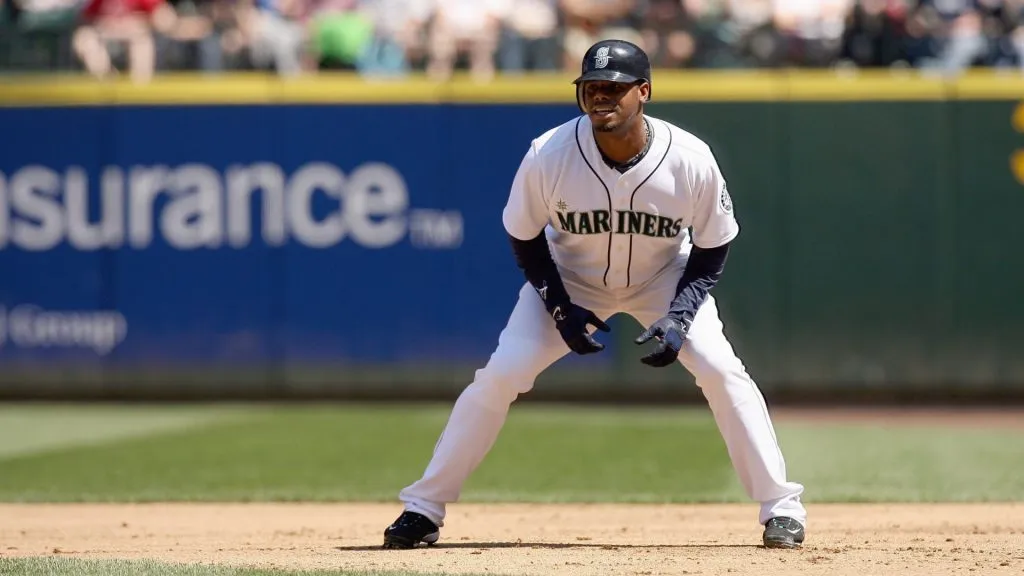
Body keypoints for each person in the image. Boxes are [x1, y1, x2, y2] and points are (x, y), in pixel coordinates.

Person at [382, 38, 808, 551]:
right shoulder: (550, 153)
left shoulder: (690, 158)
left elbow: (714, 244)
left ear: (644, 92)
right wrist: (559, 307)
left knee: (721, 371)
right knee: (499, 376)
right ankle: (423, 509)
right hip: (571, 278)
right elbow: (523, 234)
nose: (601, 97)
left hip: (663, 279)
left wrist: (680, 314)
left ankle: (781, 508)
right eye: (591, 88)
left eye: (614, 88)